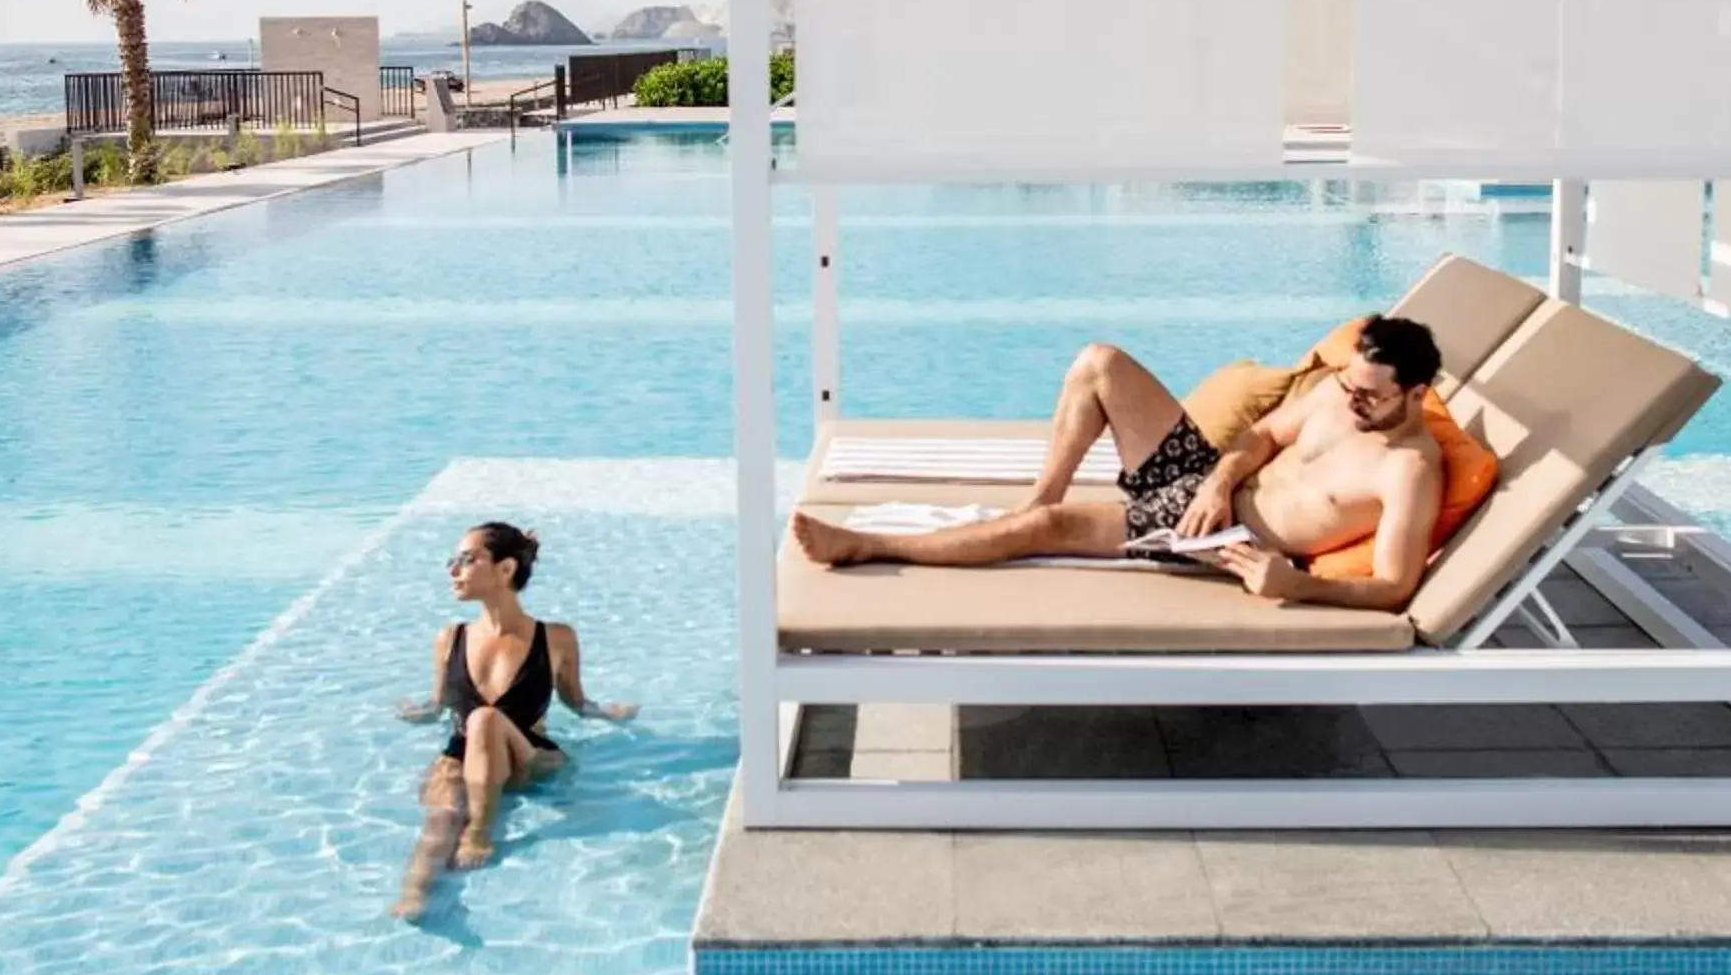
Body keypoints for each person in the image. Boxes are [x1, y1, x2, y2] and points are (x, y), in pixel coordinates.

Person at [789, 316, 1447, 613]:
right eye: (1351, 385)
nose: (1352, 400)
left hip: (1229, 541)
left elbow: (1393, 586)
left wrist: (1295, 584)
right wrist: (1219, 479)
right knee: (1099, 363)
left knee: (1051, 534)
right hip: (1213, 488)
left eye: (1370, 395)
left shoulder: (1410, 470)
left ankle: (866, 545)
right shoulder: (1337, 394)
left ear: (1416, 394)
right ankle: (1041, 495)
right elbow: (1262, 439)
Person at [389, 521, 635, 919]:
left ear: (505, 570)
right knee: (443, 816)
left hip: (529, 757)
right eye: (453, 561)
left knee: (485, 720)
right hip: (461, 756)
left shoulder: (555, 638)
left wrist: (607, 712)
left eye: (467, 561)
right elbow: (439, 705)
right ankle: (415, 894)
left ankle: (480, 832)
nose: (453, 571)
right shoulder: (450, 638)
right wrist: (419, 713)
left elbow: (575, 701)